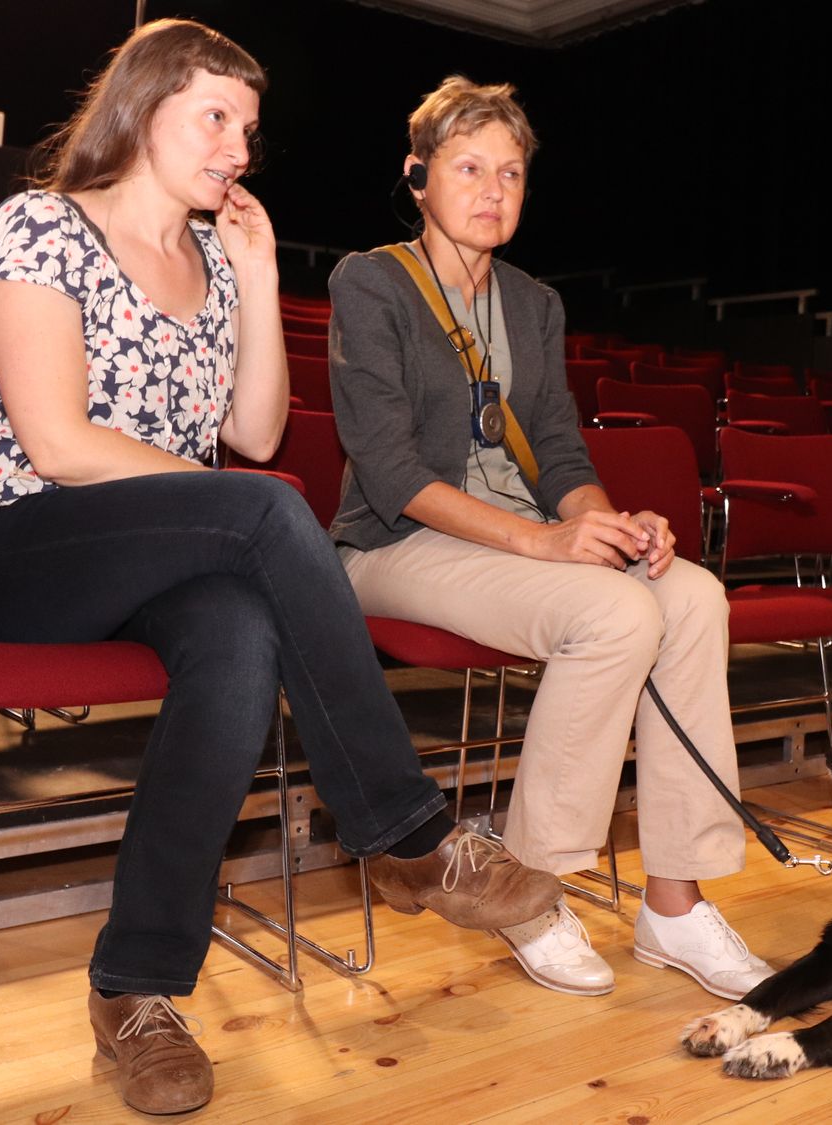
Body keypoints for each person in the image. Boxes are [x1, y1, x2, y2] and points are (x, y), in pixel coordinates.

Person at [0, 23, 557, 1116]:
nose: (237, 149)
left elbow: (256, 432)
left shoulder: (215, 260)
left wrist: (255, 276)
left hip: (166, 551)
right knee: (261, 518)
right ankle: (407, 835)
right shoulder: (37, 227)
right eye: (214, 118)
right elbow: (62, 445)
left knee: (238, 642)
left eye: (248, 130)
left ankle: (136, 993)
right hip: (11, 545)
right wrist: (223, 505)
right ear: (140, 106)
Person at [328, 77, 770, 1003]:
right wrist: (545, 547)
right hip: (393, 546)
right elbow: (390, 471)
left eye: (513, 173)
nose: (494, 190)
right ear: (417, 178)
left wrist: (605, 522)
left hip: (516, 542)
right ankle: (527, 892)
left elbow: (561, 451)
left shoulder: (534, 303)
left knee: (690, 593)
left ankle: (676, 905)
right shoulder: (372, 282)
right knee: (613, 615)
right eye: (470, 168)